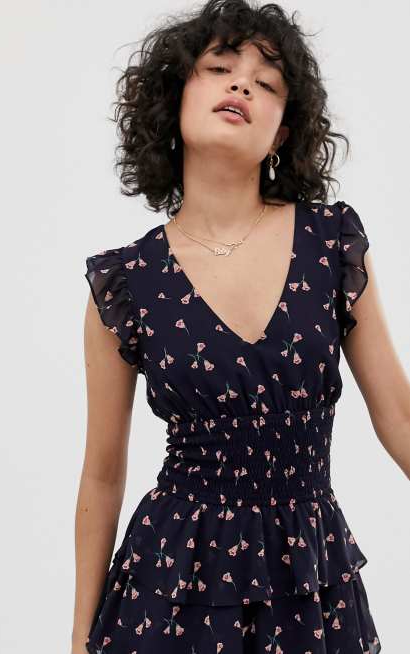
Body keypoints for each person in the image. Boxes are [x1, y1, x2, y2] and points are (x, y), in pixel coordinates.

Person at [73, 2, 409, 652]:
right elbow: (102, 475)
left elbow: (398, 413)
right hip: (171, 585)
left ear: (281, 134)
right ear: (175, 96)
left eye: (266, 82)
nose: (242, 85)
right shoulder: (126, 282)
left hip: (308, 579)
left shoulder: (331, 244)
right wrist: (79, 636)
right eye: (220, 67)